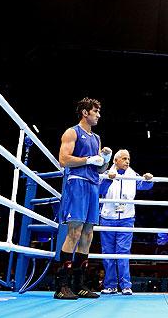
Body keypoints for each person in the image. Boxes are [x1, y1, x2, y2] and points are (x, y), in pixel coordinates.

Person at [55, 97, 112, 300]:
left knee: (88, 234)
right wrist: (88, 159)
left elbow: (100, 168)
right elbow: (63, 160)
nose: (98, 115)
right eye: (95, 111)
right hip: (77, 183)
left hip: (92, 185)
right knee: (75, 231)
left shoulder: (96, 138)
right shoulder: (72, 132)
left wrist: (105, 159)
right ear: (85, 112)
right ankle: (62, 285)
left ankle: (79, 284)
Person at [99, 149, 154, 296]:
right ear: (115, 161)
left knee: (123, 252)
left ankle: (125, 286)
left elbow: (144, 186)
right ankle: (110, 285)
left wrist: (149, 179)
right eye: (124, 158)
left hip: (127, 218)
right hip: (107, 218)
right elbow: (99, 190)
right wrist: (108, 179)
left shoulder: (132, 174)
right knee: (108, 253)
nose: (127, 161)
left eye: (128, 158)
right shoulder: (106, 173)